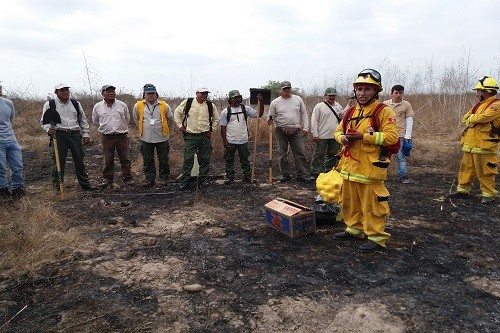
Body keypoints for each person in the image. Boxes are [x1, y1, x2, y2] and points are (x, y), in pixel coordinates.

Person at [333, 69, 399, 253]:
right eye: (359, 89)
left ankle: (376, 237)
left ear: (376, 91)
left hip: (370, 169)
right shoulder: (350, 112)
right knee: (349, 201)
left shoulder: (384, 111)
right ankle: (354, 229)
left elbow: (392, 137)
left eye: (367, 89)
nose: (362, 93)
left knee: (372, 204)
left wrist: (364, 137)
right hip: (349, 168)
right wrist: (342, 139)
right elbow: (337, 131)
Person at [449, 76, 500, 205]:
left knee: (486, 170)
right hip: (470, 144)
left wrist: (472, 118)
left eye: (479, 91)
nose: (477, 93)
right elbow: (465, 117)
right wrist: (472, 118)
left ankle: (488, 194)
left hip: (486, 145)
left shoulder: (496, 105)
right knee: (466, 168)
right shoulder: (478, 105)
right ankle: (463, 190)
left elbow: (484, 117)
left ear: (486, 91)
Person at [40, 83, 96, 192]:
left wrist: (86, 134)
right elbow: (44, 121)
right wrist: (48, 129)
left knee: (79, 160)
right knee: (58, 161)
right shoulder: (50, 104)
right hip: (59, 135)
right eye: (62, 90)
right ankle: (57, 187)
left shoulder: (75, 103)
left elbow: (83, 120)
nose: (65, 92)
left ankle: (85, 184)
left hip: (75, 134)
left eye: (67, 90)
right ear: (57, 92)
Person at [267, 81, 314, 183]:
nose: (286, 91)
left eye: (288, 88)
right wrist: (269, 120)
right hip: (281, 130)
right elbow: (270, 116)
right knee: (282, 153)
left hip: (296, 130)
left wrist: (306, 128)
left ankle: (302, 174)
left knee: (300, 152)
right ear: (280, 90)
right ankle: (285, 175)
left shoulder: (298, 99)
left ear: (291, 89)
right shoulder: (275, 102)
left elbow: (304, 114)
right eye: (284, 89)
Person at [174, 87, 219, 191]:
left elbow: (216, 119)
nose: (204, 95)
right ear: (197, 93)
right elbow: (177, 113)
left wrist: (212, 129)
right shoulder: (188, 102)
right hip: (191, 136)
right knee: (188, 158)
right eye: (202, 93)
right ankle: (185, 180)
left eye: (206, 93)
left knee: (204, 159)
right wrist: (180, 126)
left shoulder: (210, 105)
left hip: (205, 137)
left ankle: (203, 180)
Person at [92, 85, 134, 188]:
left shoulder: (122, 105)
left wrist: (121, 128)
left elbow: (127, 118)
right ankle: (107, 179)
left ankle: (127, 178)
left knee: (125, 158)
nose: (111, 93)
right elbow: (95, 121)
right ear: (102, 94)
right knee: (108, 159)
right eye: (108, 91)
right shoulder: (98, 106)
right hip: (107, 137)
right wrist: (106, 128)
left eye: (113, 91)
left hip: (122, 136)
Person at [132, 84, 173, 187]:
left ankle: (164, 177)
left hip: (162, 137)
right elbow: (136, 118)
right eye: (148, 93)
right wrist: (143, 129)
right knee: (147, 159)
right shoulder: (138, 105)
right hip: (146, 137)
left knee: (163, 158)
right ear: (144, 95)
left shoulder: (164, 105)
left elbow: (170, 119)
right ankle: (149, 178)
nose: (150, 95)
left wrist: (166, 129)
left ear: (156, 94)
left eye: (153, 93)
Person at [220, 90, 264, 184]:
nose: (237, 99)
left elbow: (259, 114)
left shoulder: (245, 108)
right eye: (234, 98)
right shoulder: (225, 111)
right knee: (229, 160)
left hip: (243, 140)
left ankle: (247, 176)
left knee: (245, 159)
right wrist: (224, 140)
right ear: (230, 100)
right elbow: (223, 126)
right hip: (230, 140)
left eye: (238, 97)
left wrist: (261, 102)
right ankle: (229, 177)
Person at [383, 85, 414, 184]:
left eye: (400, 93)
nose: (398, 95)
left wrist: (407, 136)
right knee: (384, 156)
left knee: (401, 157)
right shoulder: (385, 104)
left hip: (400, 135)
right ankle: (382, 175)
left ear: (403, 94)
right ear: (391, 93)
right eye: (396, 92)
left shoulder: (406, 105)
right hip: (387, 134)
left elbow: (409, 120)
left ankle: (403, 176)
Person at [310, 87, 343, 178]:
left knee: (333, 154)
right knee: (319, 154)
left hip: (335, 135)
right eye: (330, 96)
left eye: (333, 96)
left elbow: (343, 117)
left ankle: (329, 171)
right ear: (325, 95)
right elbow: (314, 121)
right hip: (322, 136)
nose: (332, 98)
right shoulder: (319, 106)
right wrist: (315, 133)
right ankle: (315, 172)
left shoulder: (338, 106)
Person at [0, 91, 25, 201]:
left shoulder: (8, 103)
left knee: (18, 165)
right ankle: (3, 191)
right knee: (1, 168)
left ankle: (18, 189)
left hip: (11, 140)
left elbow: (10, 120)